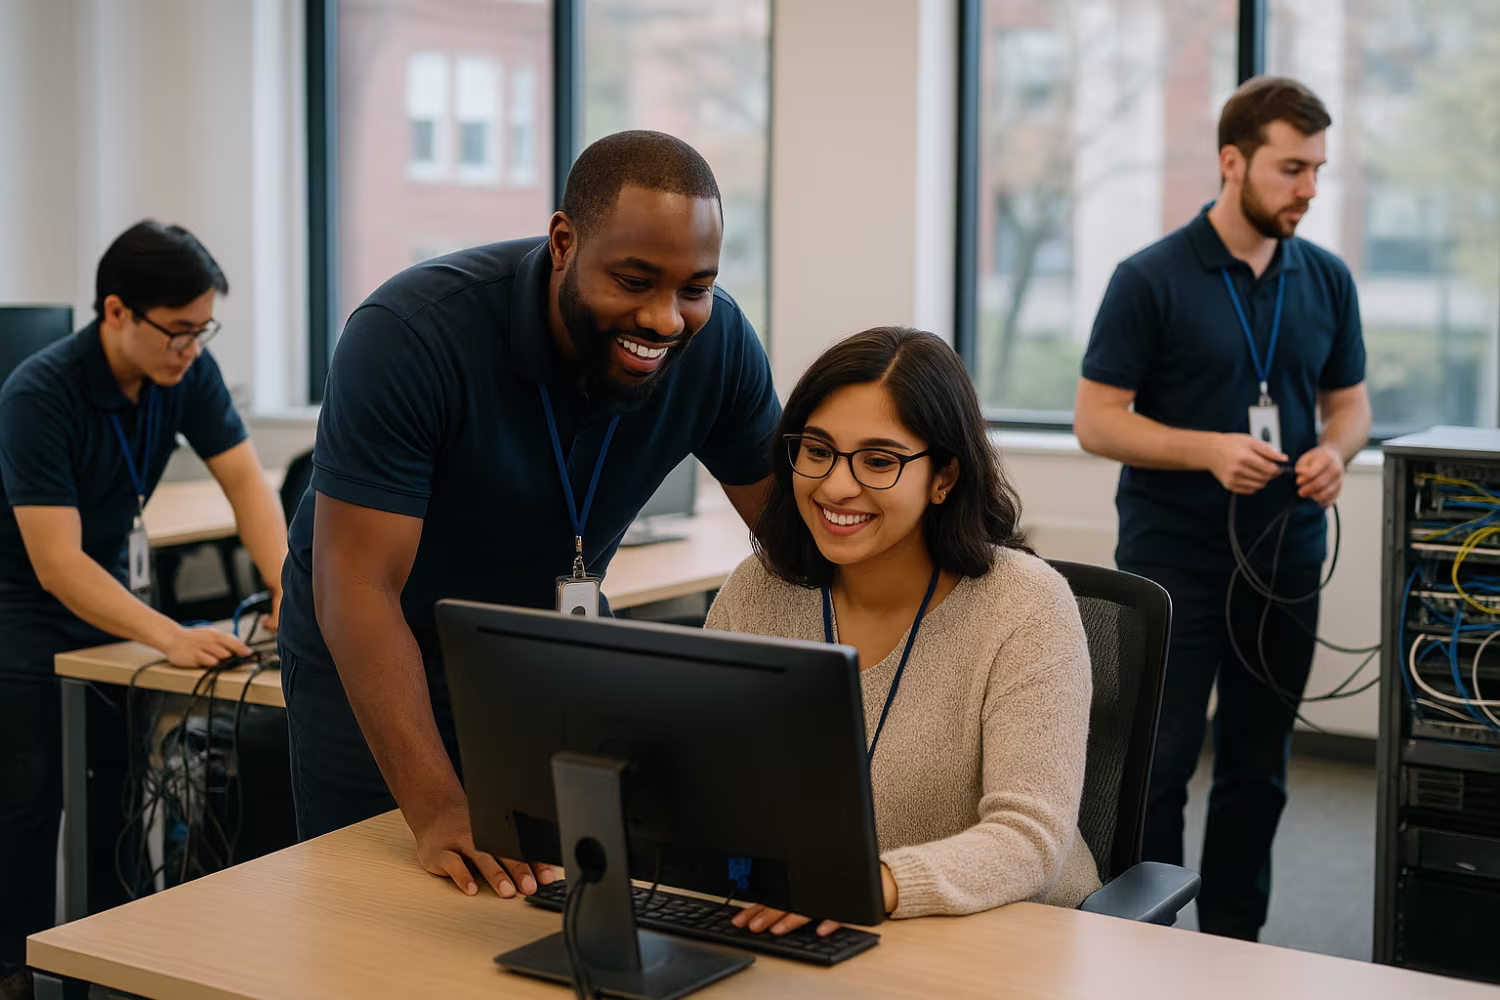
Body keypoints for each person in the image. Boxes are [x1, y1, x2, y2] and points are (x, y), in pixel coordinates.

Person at [276, 131, 781, 901]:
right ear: (563, 242)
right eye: (636, 279)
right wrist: (438, 806)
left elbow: (795, 536)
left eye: (695, 287)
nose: (666, 319)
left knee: (559, 892)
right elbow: (359, 586)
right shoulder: (411, 334)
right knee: (386, 912)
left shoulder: (717, 347)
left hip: (546, 644)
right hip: (379, 646)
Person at [1073, 77, 1371, 941]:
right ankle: (1147, 943)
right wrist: (1207, 448)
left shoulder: (1327, 279)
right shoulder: (1150, 278)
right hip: (1177, 561)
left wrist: (1333, 453)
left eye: (1318, 168)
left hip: (1285, 559)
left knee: (1258, 767)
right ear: (1232, 163)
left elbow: (1351, 405)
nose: (1309, 188)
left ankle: (1236, 943)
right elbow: (1097, 421)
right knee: (1157, 767)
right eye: (1290, 168)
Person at [703, 326, 1100, 937]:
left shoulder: (1024, 605)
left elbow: (1028, 840)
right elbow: (703, 779)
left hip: (1009, 942)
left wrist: (872, 885)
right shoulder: (759, 591)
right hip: (810, 927)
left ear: (944, 478)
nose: (836, 485)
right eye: (817, 450)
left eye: (879, 461)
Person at [0, 221, 288, 1000]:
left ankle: (108, 962)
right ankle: (15, 971)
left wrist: (292, 583)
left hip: (117, 600)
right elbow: (56, 563)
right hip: (28, 604)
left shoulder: (184, 372)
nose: (192, 348)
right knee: (31, 798)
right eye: (178, 331)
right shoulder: (39, 393)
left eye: (204, 330)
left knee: (120, 791)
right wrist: (169, 634)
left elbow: (246, 484)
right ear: (117, 311)